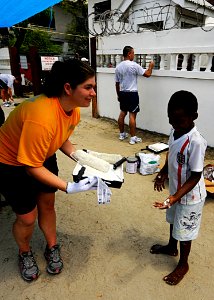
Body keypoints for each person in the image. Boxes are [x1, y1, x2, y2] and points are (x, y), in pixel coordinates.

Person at [0, 59, 98, 282]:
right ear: (67, 88)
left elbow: (61, 138)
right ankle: (24, 253)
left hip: (41, 155)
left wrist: (81, 157)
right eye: (88, 87)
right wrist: (68, 186)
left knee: (47, 204)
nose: (93, 93)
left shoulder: (73, 110)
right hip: (10, 162)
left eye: (94, 87)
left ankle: (51, 246)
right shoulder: (41, 115)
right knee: (27, 217)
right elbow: (31, 166)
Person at [151, 90, 207, 285]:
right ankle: (170, 247)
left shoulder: (196, 142)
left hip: (190, 197)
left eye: (179, 121)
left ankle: (183, 264)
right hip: (176, 192)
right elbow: (171, 155)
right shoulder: (175, 131)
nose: (174, 125)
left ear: (194, 117)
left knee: (185, 230)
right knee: (174, 220)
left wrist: (175, 197)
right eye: (171, 120)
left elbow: (196, 175)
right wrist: (163, 172)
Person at [115, 46, 154, 145]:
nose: (134, 55)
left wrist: (118, 95)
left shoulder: (118, 67)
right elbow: (147, 74)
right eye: (133, 53)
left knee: (122, 113)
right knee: (132, 116)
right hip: (132, 93)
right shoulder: (133, 65)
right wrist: (151, 66)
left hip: (123, 93)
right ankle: (133, 138)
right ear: (129, 54)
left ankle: (122, 134)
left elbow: (117, 83)